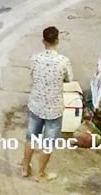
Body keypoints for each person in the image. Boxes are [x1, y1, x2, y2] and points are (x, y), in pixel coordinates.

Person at [20, 26, 73, 183]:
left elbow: (32, 74)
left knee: (31, 138)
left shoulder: (35, 58)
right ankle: (41, 173)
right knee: (48, 143)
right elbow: (69, 78)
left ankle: (25, 167)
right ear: (57, 40)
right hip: (54, 109)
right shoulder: (63, 61)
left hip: (36, 105)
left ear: (43, 41)